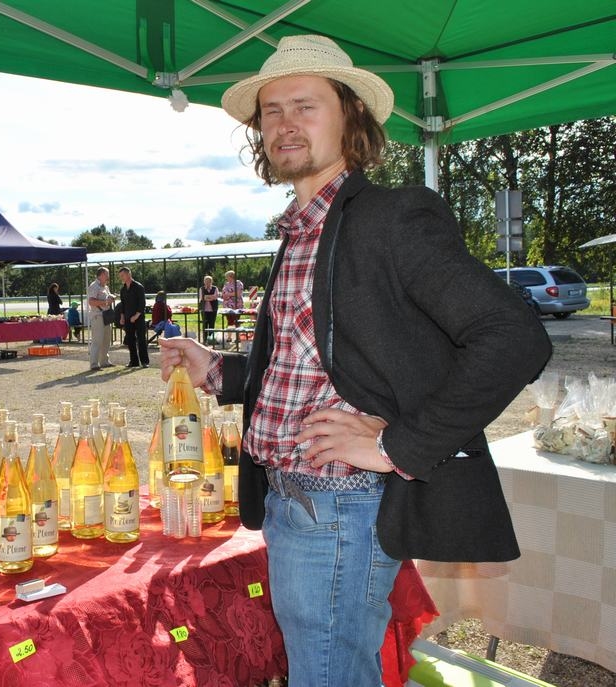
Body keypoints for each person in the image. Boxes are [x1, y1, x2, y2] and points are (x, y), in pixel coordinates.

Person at [158, 35, 551, 687]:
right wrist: (220, 372)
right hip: (294, 504)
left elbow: (513, 335)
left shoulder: (390, 218)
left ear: (350, 116)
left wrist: (401, 443)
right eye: (272, 111)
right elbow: (315, 363)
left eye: (305, 105)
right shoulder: (303, 228)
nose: (285, 123)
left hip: (337, 509)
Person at [117, 266, 149, 368]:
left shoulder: (139, 287)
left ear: (128, 274)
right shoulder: (123, 289)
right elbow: (123, 304)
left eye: (122, 275)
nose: (121, 278)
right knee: (130, 340)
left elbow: (142, 303)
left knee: (141, 339)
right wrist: (122, 317)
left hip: (138, 318)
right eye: (120, 276)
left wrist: (136, 316)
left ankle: (144, 361)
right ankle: (133, 361)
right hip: (127, 318)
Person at [86, 266, 115, 370]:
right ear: (101, 275)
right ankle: (94, 364)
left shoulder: (105, 287)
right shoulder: (94, 286)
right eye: (107, 274)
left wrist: (111, 297)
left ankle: (104, 361)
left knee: (106, 340)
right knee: (97, 340)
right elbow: (91, 302)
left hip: (106, 315)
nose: (108, 277)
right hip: (98, 316)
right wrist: (106, 302)